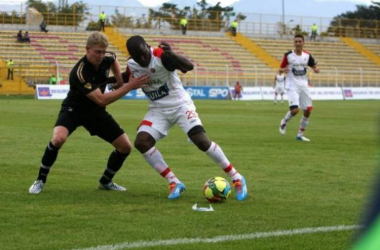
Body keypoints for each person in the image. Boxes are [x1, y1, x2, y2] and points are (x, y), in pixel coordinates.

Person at [114, 35, 248, 201]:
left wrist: (173, 54)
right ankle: (174, 182)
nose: (142, 60)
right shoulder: (132, 65)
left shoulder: (160, 56)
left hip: (180, 105)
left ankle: (236, 177)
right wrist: (107, 80)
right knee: (142, 142)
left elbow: (188, 66)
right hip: (157, 110)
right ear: (132, 56)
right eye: (137, 57)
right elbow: (126, 78)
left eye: (144, 54)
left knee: (201, 141)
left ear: (147, 47)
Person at [28, 32, 149, 194]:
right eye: (97, 52)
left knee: (125, 147)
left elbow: (113, 59)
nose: (101, 56)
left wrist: (120, 80)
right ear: (87, 49)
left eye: (103, 52)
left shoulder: (107, 57)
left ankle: (106, 181)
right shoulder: (80, 73)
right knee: (58, 139)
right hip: (74, 109)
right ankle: (40, 180)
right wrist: (128, 86)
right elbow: (101, 100)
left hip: (95, 113)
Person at [278, 34, 320, 142]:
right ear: (294, 43)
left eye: (299, 41)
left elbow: (314, 66)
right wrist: (283, 70)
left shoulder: (307, 55)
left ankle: (300, 135)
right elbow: (280, 68)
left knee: (308, 110)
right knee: (295, 110)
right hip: (292, 85)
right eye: (296, 41)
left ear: (303, 43)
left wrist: (316, 69)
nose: (297, 43)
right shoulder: (288, 55)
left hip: (303, 85)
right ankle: (284, 121)